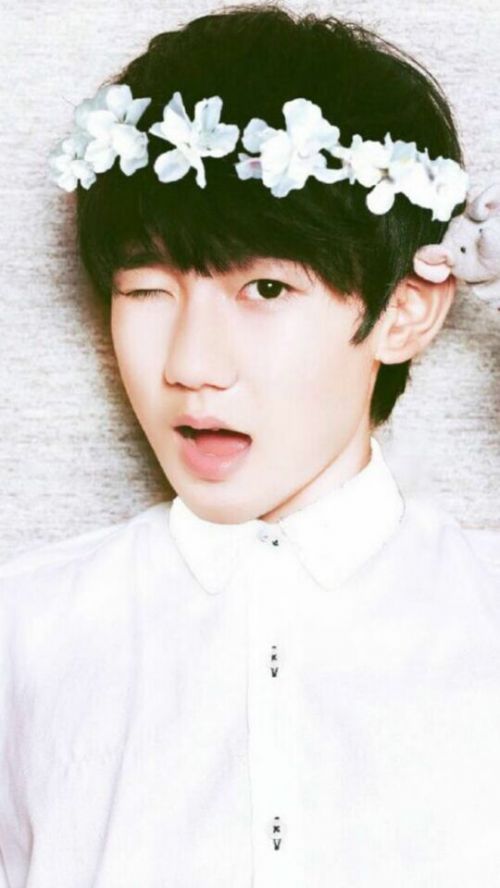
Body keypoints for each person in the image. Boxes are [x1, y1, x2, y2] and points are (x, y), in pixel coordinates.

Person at [1, 4, 498, 886]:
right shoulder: (28, 629)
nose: (190, 366)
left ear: (405, 310)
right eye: (145, 290)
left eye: (265, 288)